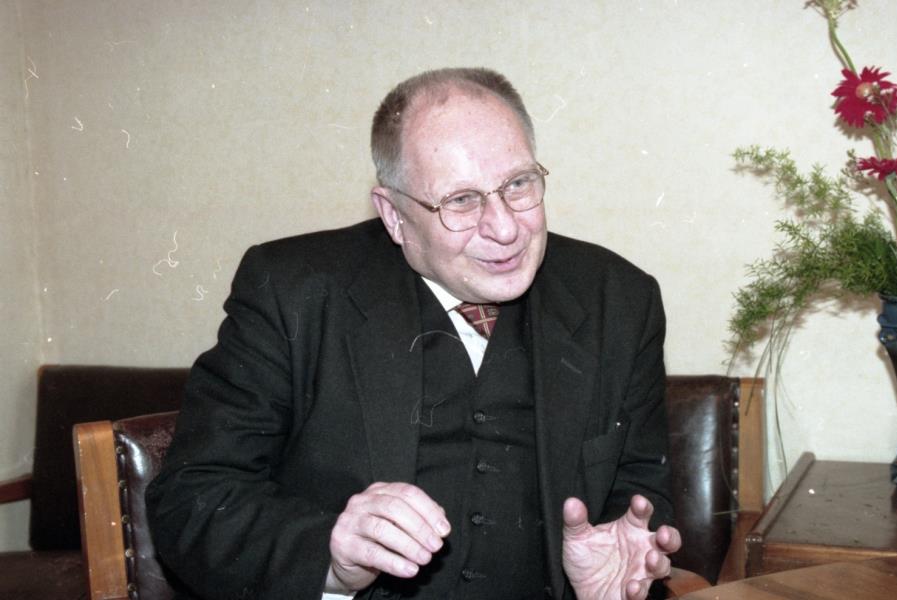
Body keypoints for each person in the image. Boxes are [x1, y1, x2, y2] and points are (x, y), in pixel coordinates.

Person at [147, 67, 681, 600]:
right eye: (461, 200)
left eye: (518, 184)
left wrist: (612, 582)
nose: (505, 228)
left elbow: (639, 499)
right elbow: (192, 499)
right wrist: (330, 558)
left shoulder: (619, 300)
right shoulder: (293, 292)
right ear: (393, 215)